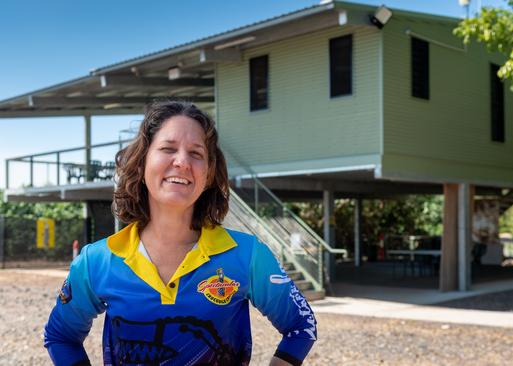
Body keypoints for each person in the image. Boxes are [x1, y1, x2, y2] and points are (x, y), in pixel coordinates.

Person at [44, 101, 317, 366]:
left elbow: (300, 324)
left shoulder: (246, 255)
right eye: (168, 148)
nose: (182, 162)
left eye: (196, 154)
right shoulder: (97, 261)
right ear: (141, 163)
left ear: (209, 174)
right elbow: (61, 336)